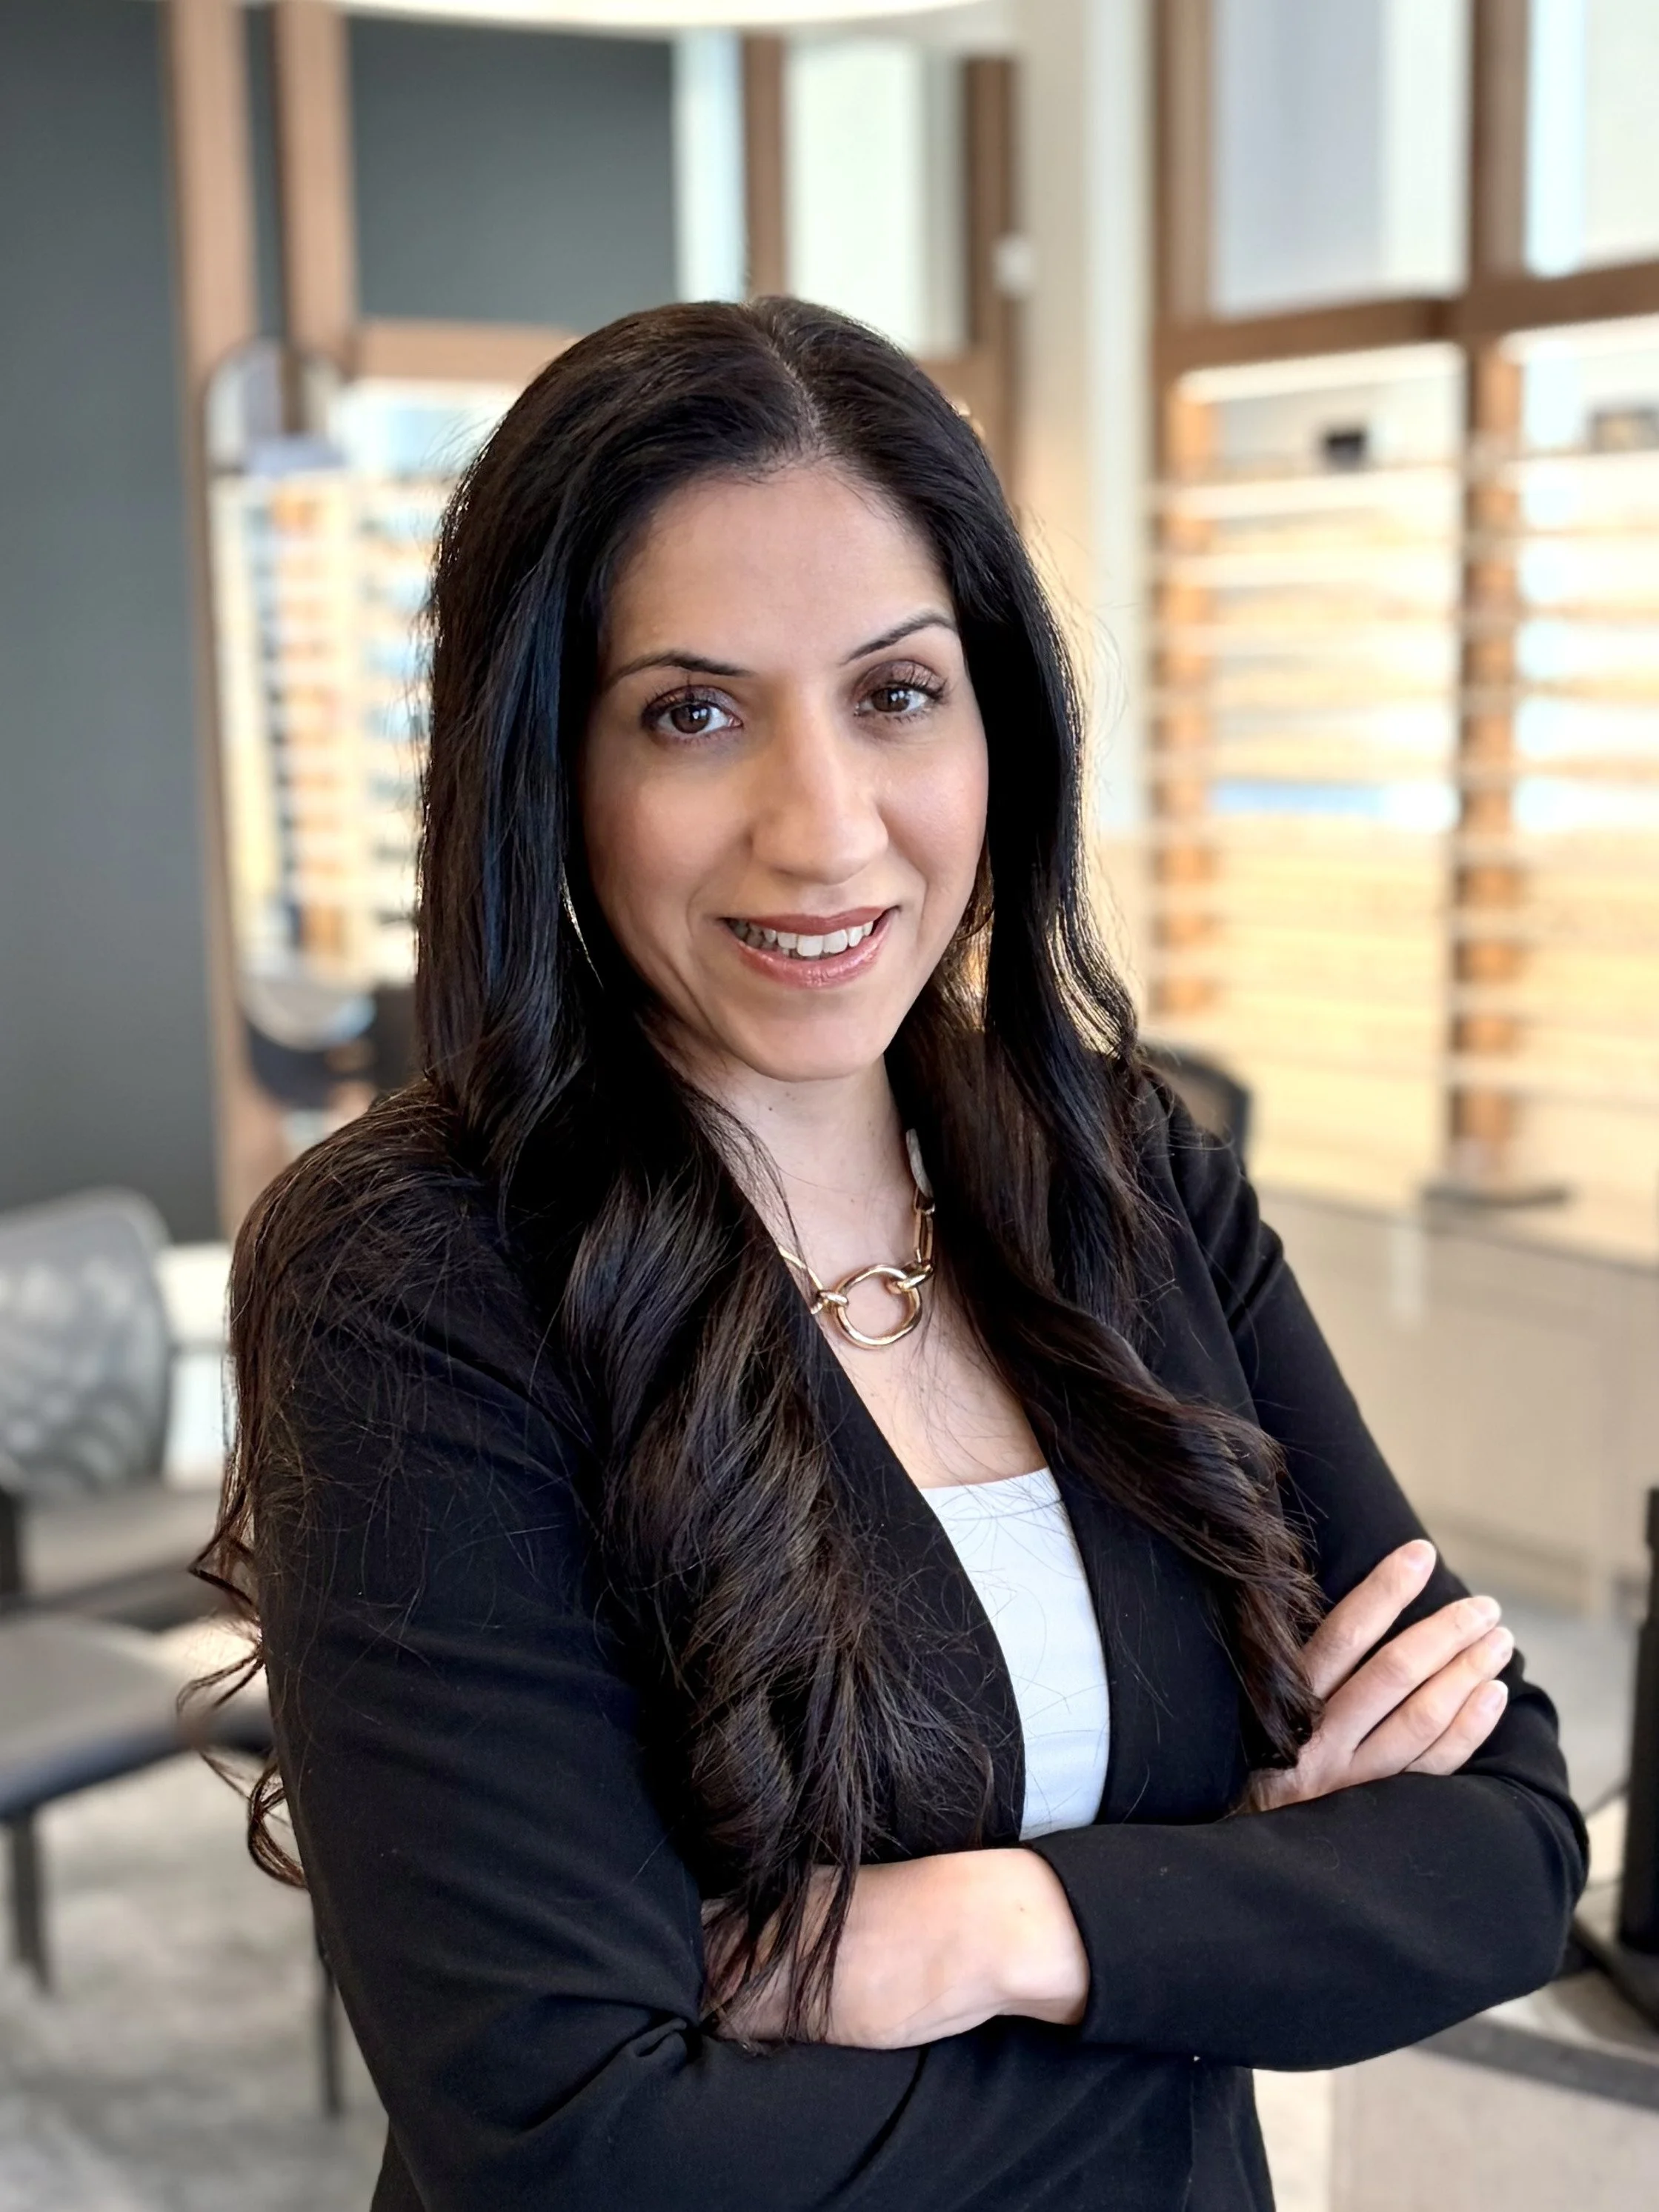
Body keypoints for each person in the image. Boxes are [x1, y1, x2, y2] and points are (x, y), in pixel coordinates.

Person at [205, 299, 1585, 2212]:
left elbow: (1508, 1846)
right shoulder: (415, 1280)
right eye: (694, 713)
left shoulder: (1118, 1171)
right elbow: (583, 2145)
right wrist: (1216, 1954)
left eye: (897, 693)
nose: (826, 826)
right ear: (549, 768)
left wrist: (1003, 1927)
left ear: (996, 722)